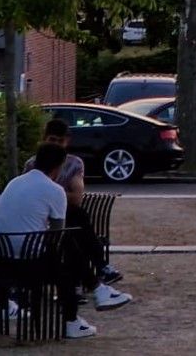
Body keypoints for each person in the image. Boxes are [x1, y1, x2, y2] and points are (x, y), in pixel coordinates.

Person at [0, 142, 102, 340]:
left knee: (66, 250)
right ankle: (74, 316)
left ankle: (97, 287)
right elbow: (57, 233)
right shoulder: (54, 190)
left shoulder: (14, 183)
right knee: (67, 253)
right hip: (28, 261)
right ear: (59, 167)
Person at [26, 120, 128, 296]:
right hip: (41, 218)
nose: (56, 145)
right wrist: (56, 194)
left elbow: (77, 197)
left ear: (67, 142)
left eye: (60, 141)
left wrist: (50, 193)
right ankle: (98, 269)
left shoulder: (74, 163)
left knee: (73, 220)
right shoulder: (32, 164)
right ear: (44, 140)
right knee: (72, 225)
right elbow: (30, 198)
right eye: (52, 140)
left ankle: (80, 281)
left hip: (64, 215)